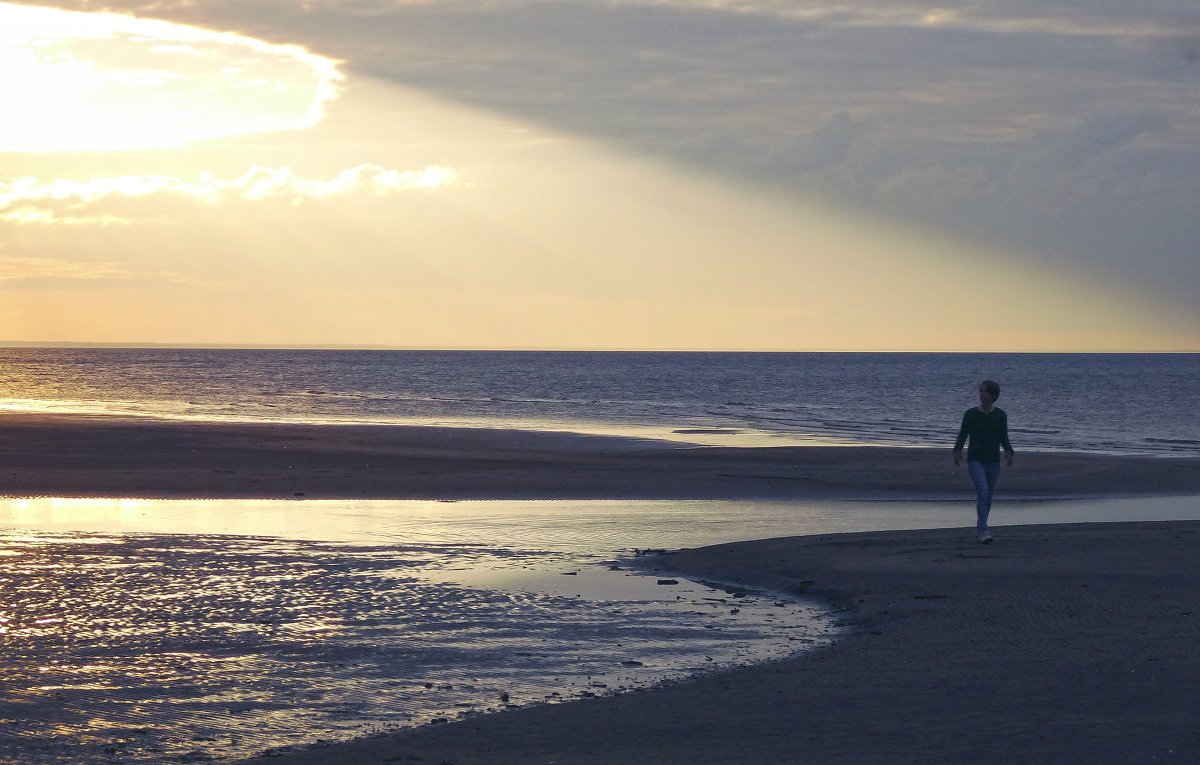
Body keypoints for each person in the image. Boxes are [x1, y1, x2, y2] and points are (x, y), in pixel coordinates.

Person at [953, 380, 1014, 544]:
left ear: (993, 395)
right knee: (983, 490)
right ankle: (983, 529)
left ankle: (980, 527)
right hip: (975, 459)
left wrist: (1009, 451)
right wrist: (957, 451)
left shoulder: (1000, 415)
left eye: (985, 391)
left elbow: (1003, 436)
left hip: (993, 460)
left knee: (988, 496)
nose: (981, 394)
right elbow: (963, 434)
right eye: (980, 391)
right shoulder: (971, 414)